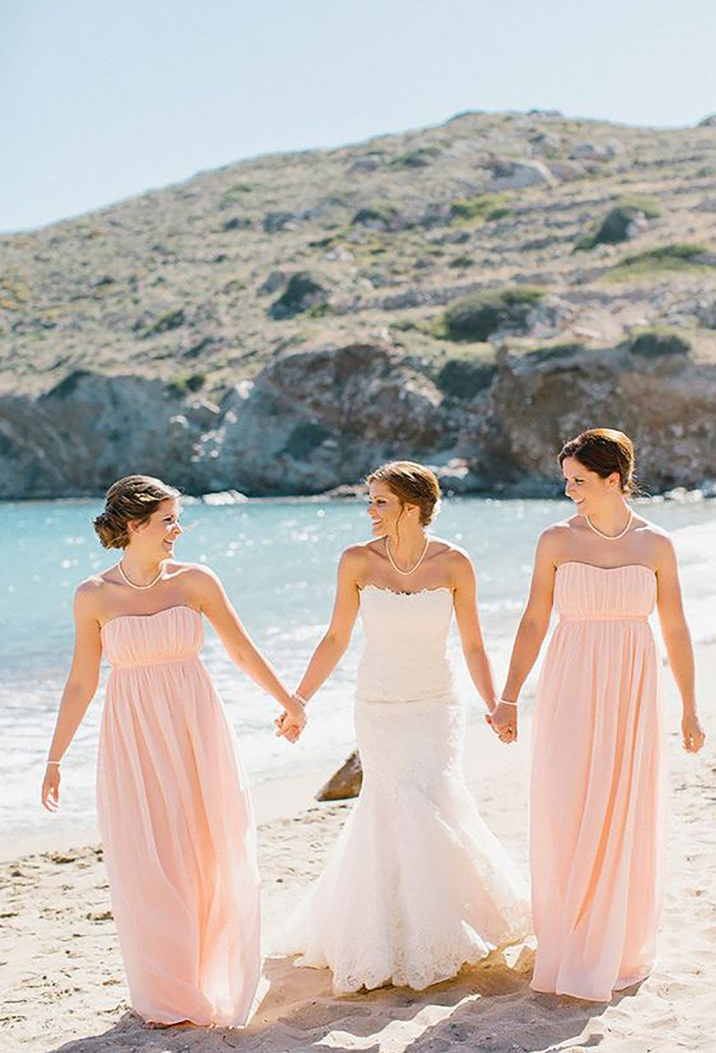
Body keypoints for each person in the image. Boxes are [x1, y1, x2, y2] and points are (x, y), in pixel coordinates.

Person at [41, 474, 305, 1027]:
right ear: (134, 526)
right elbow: (81, 681)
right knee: (149, 857)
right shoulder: (92, 595)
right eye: (167, 521)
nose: (177, 531)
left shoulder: (196, 581)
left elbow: (240, 647)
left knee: (210, 848)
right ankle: (168, 990)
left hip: (196, 728)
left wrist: (290, 701)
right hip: (133, 738)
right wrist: (54, 758)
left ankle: (213, 976)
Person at [277, 460, 529, 993]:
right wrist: (298, 699)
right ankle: (389, 934)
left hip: (437, 704)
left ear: (411, 509)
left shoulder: (455, 563)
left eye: (380, 502)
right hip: (379, 705)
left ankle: (449, 926)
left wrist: (497, 704)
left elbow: (475, 643)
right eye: (370, 501)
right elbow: (335, 638)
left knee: (437, 801)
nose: (369, 511)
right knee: (391, 808)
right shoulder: (356, 562)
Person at [489, 428, 705, 1001]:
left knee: (622, 806)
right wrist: (509, 695)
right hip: (569, 686)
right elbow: (534, 620)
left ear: (615, 480)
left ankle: (616, 937)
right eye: (566, 482)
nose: (570, 493)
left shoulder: (656, 544)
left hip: (634, 689)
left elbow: (676, 628)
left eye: (579, 482)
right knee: (567, 803)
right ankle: (569, 933)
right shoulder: (556, 540)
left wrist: (689, 706)